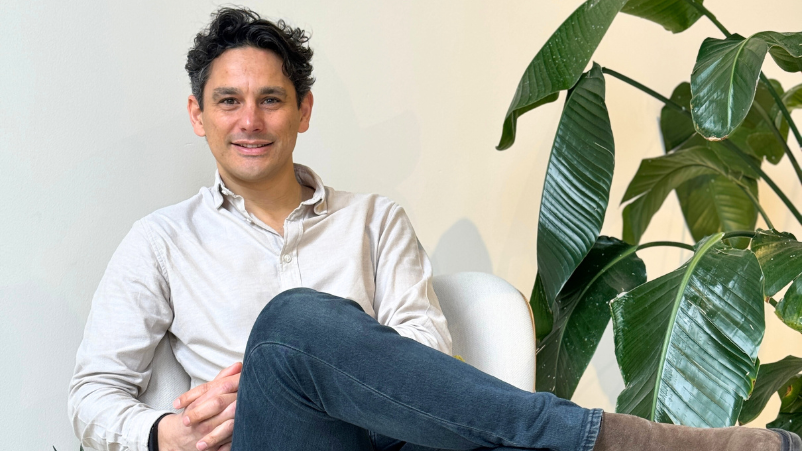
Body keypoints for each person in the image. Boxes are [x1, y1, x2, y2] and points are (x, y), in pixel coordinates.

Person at [68, 7, 801, 451]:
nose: (250, 121)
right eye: (228, 101)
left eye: (270, 99)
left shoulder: (372, 219)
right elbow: (93, 392)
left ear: (304, 110)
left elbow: (424, 353)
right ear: (199, 116)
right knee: (288, 332)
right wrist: (162, 433)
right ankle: (608, 440)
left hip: (392, 438)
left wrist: (344, 357)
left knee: (316, 336)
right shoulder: (159, 241)